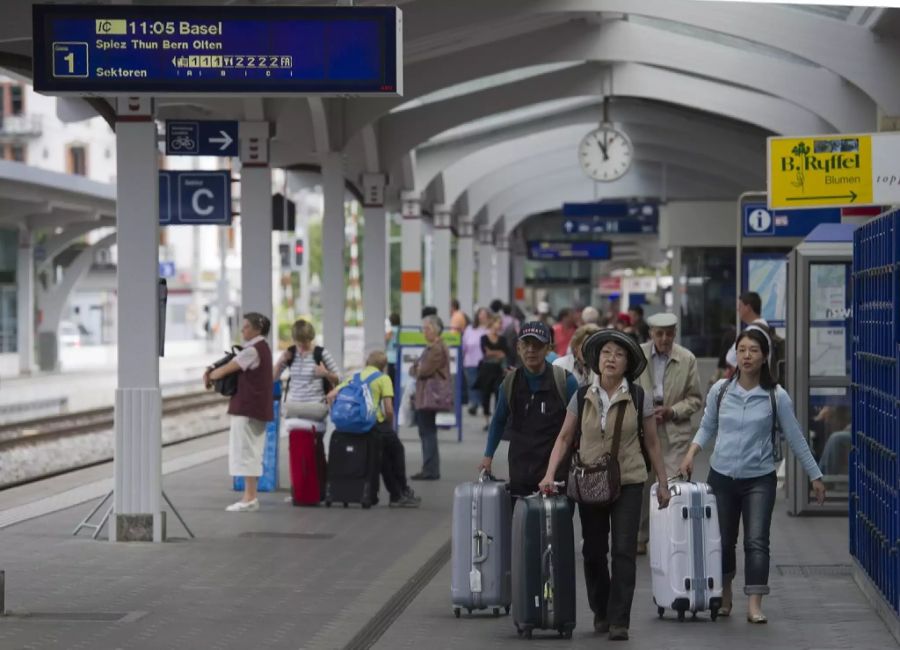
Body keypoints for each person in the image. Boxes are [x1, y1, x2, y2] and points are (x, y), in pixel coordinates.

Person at [679, 328, 826, 624]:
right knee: (722, 540)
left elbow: (796, 438)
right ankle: (727, 594)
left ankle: (755, 604)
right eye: (742, 350)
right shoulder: (720, 390)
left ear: (764, 356)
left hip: (760, 479)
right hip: (721, 477)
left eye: (754, 350)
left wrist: (816, 475)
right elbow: (707, 426)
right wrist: (691, 453)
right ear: (736, 354)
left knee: (757, 541)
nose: (747, 356)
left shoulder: (776, 396)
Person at [539, 330, 671, 640]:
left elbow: (652, 443)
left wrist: (663, 484)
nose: (611, 358)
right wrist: (549, 474)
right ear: (597, 360)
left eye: (619, 354)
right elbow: (565, 437)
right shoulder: (582, 395)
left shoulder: (640, 397)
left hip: (629, 481)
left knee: (623, 550)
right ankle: (601, 610)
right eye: (606, 353)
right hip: (591, 482)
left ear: (628, 363)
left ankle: (619, 620)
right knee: (594, 551)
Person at [478, 321, 579, 498]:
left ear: (548, 349)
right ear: (518, 348)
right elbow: (499, 421)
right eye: (526, 344)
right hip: (520, 471)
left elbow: (579, 424)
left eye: (537, 345)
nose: (531, 350)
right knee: (522, 523)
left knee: (556, 523)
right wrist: (488, 456)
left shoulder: (565, 382)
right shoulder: (510, 383)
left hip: (556, 471)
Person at [635, 313, 703, 554]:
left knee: (673, 486)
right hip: (642, 432)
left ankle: (673, 536)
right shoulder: (637, 355)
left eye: (669, 333)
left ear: (675, 333)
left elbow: (696, 399)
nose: (664, 338)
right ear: (651, 333)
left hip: (674, 433)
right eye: (659, 333)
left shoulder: (687, 359)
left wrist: (672, 411)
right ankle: (640, 538)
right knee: (642, 486)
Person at [327, 351, 421, 507]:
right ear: (383, 367)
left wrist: (338, 415)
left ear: (366, 362)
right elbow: (389, 410)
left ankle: (397, 494)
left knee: (383, 457)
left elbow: (331, 396)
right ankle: (402, 491)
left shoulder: (354, 377)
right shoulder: (383, 379)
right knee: (397, 451)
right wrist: (389, 426)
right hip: (374, 424)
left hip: (351, 426)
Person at [204, 312, 274, 512]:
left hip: (248, 409)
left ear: (257, 329)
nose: (242, 330)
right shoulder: (263, 349)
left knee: (245, 452)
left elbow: (225, 370)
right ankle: (249, 497)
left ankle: (249, 498)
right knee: (251, 451)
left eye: (245, 327)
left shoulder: (252, 351)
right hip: (257, 409)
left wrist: (210, 374)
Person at [274, 319, 341, 431]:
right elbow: (273, 378)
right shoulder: (290, 353)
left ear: (311, 338)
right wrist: (280, 360)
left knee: (313, 444)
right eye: (298, 344)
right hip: (294, 409)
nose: (301, 348)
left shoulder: (321, 353)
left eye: (305, 343)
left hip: (315, 408)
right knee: (296, 445)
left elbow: (340, 379)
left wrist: (325, 373)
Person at [410, 314, 451, 480]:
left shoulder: (436, 349)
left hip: (428, 396)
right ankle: (430, 468)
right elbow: (416, 369)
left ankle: (430, 469)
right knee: (427, 431)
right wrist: (416, 368)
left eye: (426, 328)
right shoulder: (434, 346)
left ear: (435, 330)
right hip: (426, 395)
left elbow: (422, 370)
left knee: (427, 432)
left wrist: (416, 368)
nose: (424, 332)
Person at [474, 315, 509, 430]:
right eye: (498, 323)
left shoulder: (502, 339)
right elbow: (486, 353)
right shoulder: (484, 337)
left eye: (500, 324)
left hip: (498, 369)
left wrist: (493, 352)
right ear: (492, 324)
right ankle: (486, 421)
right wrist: (497, 352)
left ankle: (496, 419)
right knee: (486, 394)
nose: (499, 326)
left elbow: (504, 354)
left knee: (498, 393)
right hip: (486, 369)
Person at [725, 291, 769, 371]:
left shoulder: (752, 332)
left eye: (740, 306)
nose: (738, 310)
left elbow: (731, 358)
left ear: (748, 308)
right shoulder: (765, 327)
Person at [463, 307, 490, 417]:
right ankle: (474, 404)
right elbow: (464, 344)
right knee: (472, 383)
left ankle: (482, 403)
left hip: (484, 362)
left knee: (483, 385)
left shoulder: (489, 330)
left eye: (484, 314)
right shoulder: (470, 329)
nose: (482, 316)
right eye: (480, 314)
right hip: (470, 361)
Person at [385, 312, 401, 382]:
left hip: (390, 358)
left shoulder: (390, 331)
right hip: (399, 357)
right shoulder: (402, 330)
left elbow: (385, 341)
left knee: (391, 379)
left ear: (390, 321)